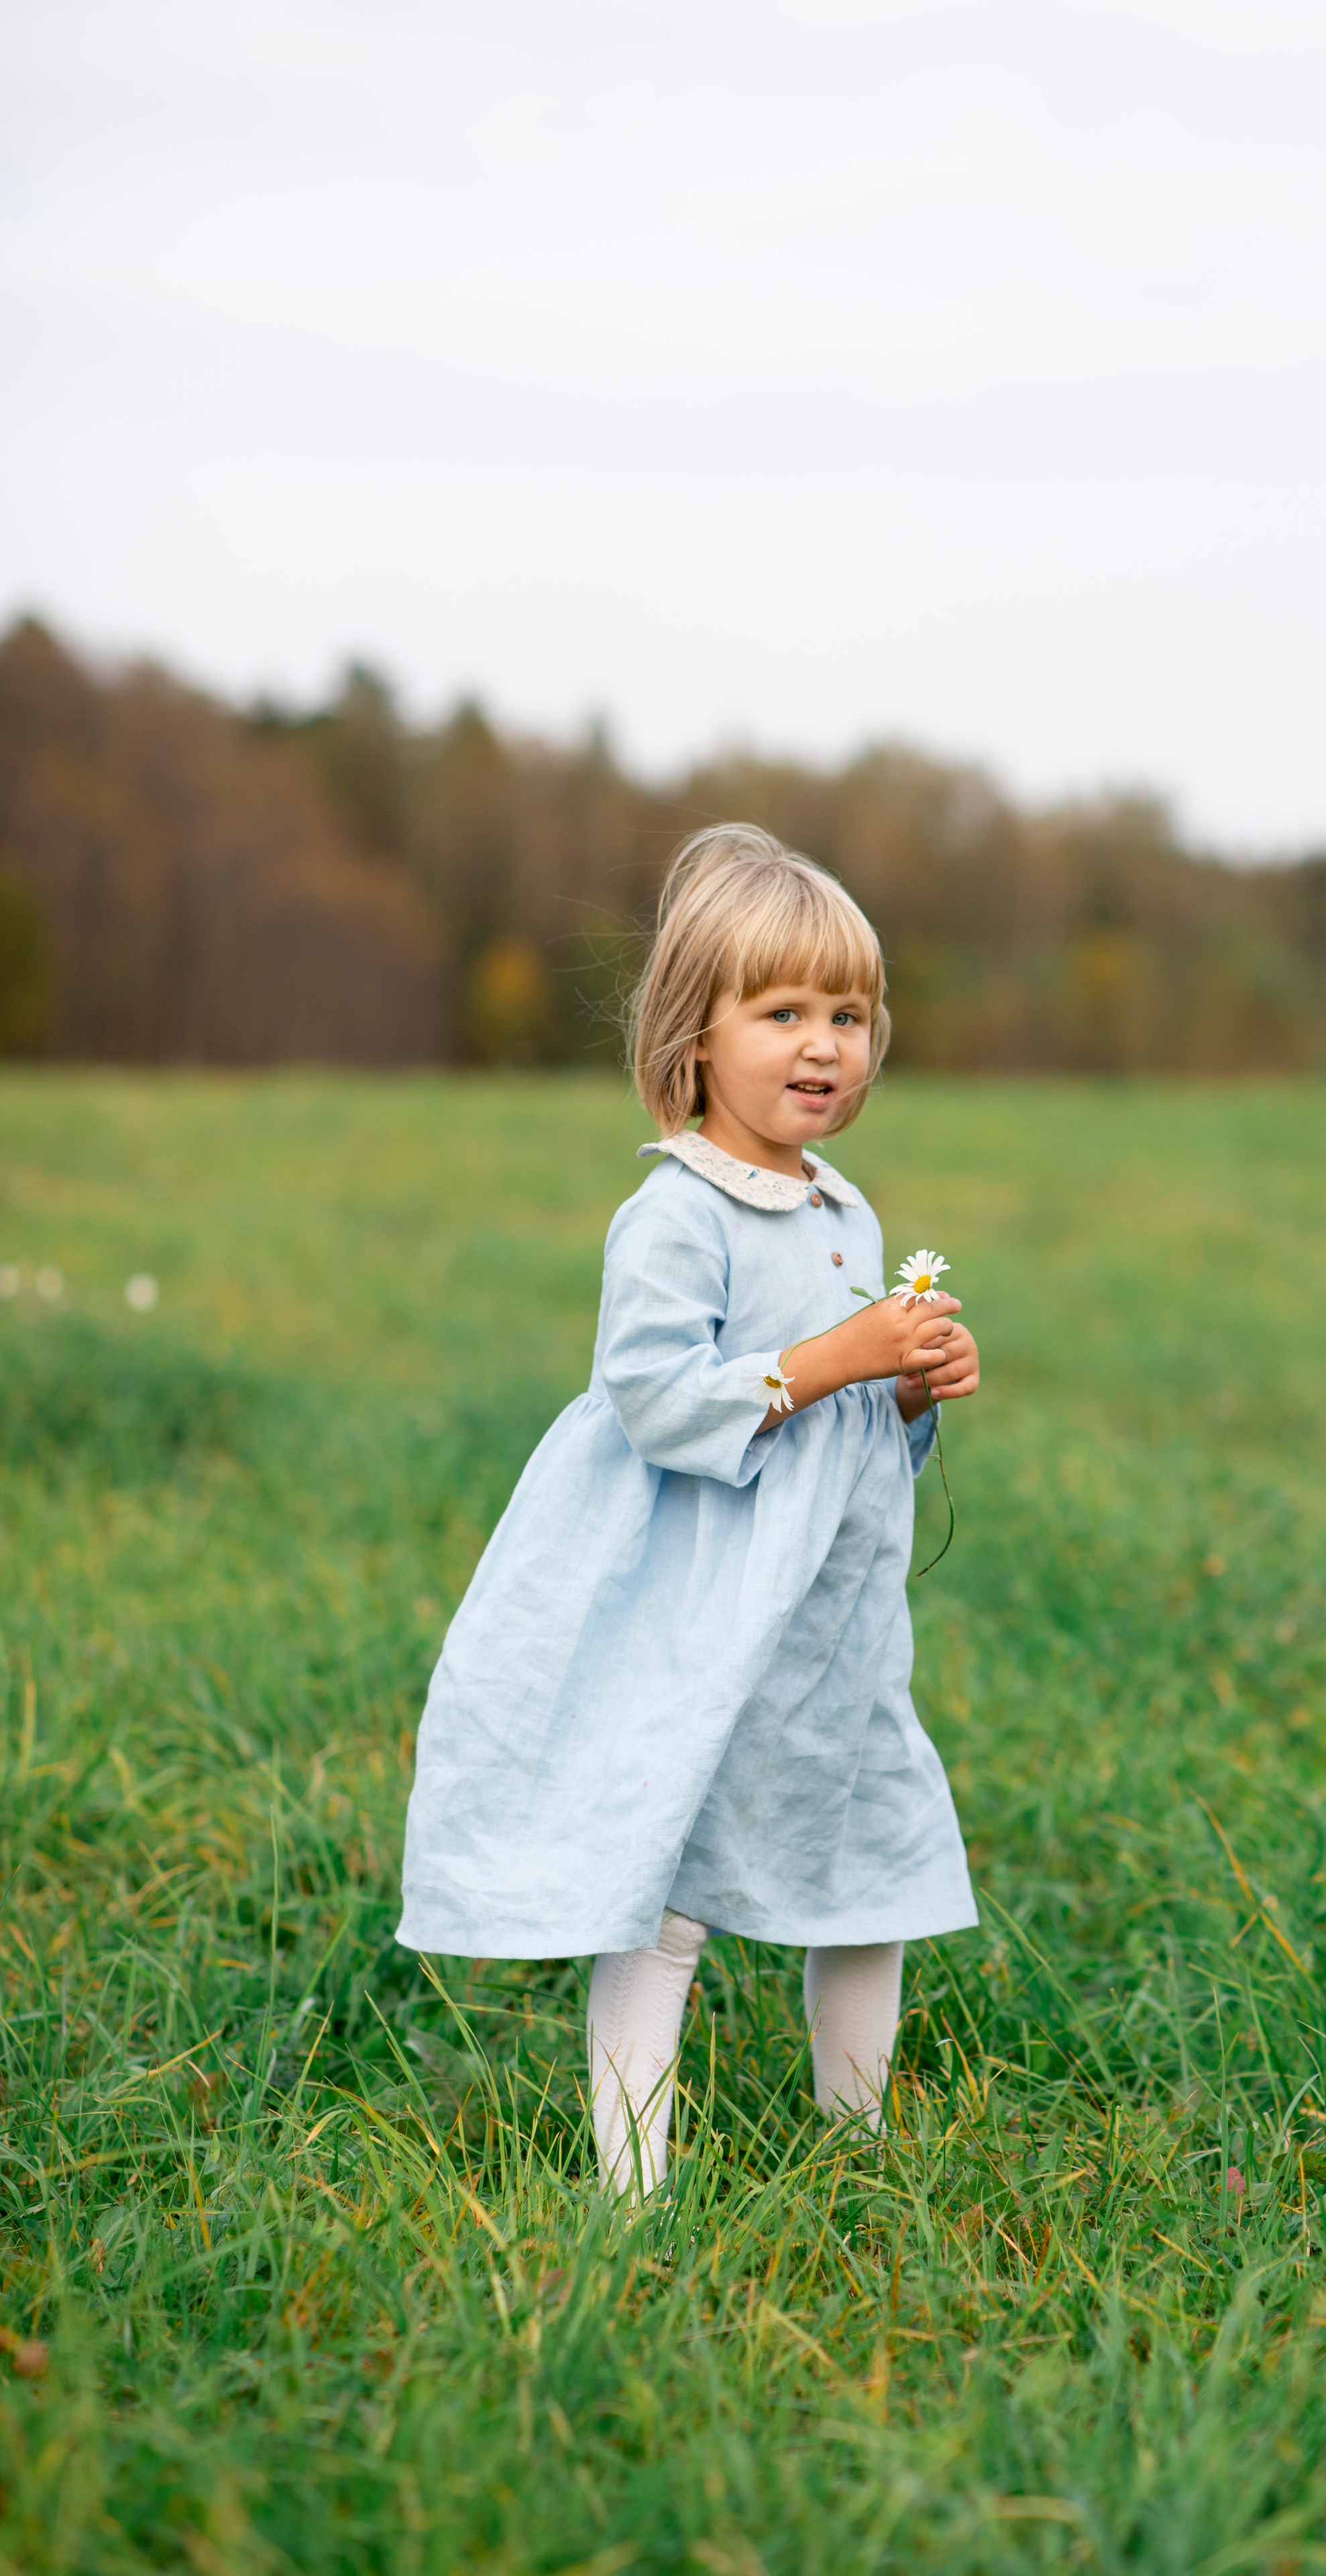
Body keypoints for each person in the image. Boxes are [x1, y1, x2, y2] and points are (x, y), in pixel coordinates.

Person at [396, 824, 981, 2200]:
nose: (823, 1044)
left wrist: (910, 1390)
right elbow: (655, 1395)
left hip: (826, 1626)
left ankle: (860, 2151)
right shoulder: (675, 1210)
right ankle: (631, 2184)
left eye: (848, 1013)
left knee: (867, 1871)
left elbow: (852, 1438)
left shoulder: (842, 1206)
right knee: (665, 1888)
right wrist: (840, 1354)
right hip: (693, 1610)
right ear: (695, 1035)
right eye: (781, 1012)